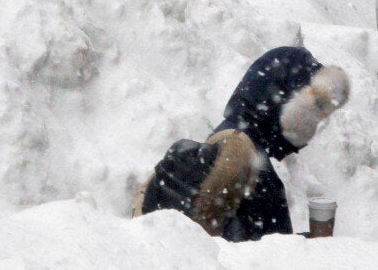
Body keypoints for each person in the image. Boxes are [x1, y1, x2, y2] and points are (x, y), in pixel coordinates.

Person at [132, 46, 350, 242]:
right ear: (293, 116)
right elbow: (276, 259)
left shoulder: (192, 155)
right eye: (314, 118)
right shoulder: (263, 183)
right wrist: (316, 244)